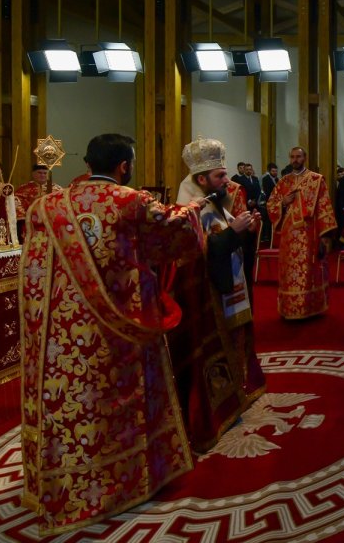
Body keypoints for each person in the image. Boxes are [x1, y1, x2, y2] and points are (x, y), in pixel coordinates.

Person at [18, 133, 208, 535]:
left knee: (75, 405)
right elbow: (173, 236)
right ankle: (128, 480)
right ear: (124, 166)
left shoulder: (45, 206)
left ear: (87, 164)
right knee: (121, 400)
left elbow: (33, 277)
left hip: (62, 335)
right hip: (121, 328)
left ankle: (64, 487)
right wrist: (194, 210)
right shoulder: (130, 200)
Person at [169, 137, 265, 452]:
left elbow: (225, 241)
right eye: (220, 176)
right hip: (206, 297)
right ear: (201, 179)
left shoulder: (213, 199)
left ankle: (237, 391)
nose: (227, 180)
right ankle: (217, 407)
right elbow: (201, 254)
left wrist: (246, 232)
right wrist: (233, 233)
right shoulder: (190, 208)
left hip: (227, 287)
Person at [266, 146, 336, 319]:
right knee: (290, 273)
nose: (295, 160)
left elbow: (324, 207)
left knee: (308, 271)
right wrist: (283, 203)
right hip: (289, 238)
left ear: (305, 158)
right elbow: (270, 204)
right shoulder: (284, 182)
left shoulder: (316, 180)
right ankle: (290, 308)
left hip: (309, 234)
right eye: (292, 157)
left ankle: (309, 308)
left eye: (298, 156)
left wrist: (324, 237)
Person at [14, 164, 62, 238]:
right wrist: (27, 216)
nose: (42, 175)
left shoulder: (58, 190)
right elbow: (17, 205)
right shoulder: (23, 189)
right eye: (39, 173)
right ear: (33, 174)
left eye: (45, 173)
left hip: (51, 222)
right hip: (30, 223)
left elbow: (62, 205)